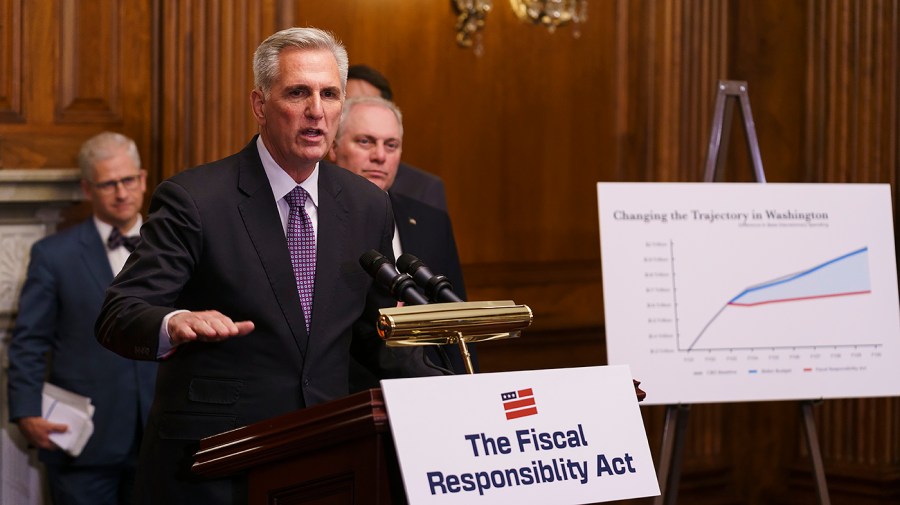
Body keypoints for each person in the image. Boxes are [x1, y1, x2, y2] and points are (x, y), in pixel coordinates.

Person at [94, 27, 444, 504]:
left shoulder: (366, 205)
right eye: (298, 92)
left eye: (329, 94)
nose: (316, 110)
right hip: (214, 467)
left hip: (327, 459)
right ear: (260, 105)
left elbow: (376, 336)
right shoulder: (195, 199)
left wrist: (457, 398)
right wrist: (174, 322)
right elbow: (119, 312)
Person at [7, 131, 157, 505]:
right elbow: (29, 341)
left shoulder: (173, 245)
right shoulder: (53, 256)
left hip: (162, 436)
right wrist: (26, 411)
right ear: (88, 189)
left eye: (128, 180)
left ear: (142, 179)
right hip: (84, 442)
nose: (121, 193)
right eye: (108, 184)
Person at [330, 96, 474, 376]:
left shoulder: (431, 221)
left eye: (391, 145)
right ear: (333, 148)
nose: (380, 156)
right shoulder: (312, 222)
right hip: (350, 395)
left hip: (432, 387)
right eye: (365, 142)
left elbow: (457, 321)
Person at [346, 64, 448, 211]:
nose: (379, 156)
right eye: (348, 105)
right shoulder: (309, 177)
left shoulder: (423, 189)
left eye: (371, 105)